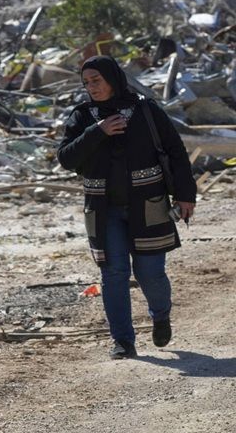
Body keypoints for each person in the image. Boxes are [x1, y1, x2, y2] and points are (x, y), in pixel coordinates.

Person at [58, 56, 196, 360]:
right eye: (86, 82)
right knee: (114, 273)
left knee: (150, 273)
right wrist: (98, 131)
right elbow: (66, 158)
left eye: (96, 80)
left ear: (113, 78)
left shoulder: (146, 110)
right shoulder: (82, 116)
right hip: (103, 209)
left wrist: (186, 195)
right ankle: (122, 340)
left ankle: (161, 315)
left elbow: (176, 151)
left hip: (148, 205)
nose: (92, 87)